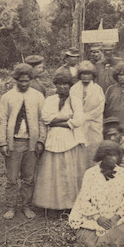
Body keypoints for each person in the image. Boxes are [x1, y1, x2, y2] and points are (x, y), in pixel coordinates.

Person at [0, 63, 46, 220]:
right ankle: (11, 207)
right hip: (14, 143)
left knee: (29, 178)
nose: (24, 84)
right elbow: (1, 120)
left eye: (27, 81)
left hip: (31, 143)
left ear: (31, 79)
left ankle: (26, 206)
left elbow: (42, 120)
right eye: (20, 81)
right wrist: (2, 142)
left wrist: (40, 140)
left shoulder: (38, 96)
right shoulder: (7, 97)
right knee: (12, 179)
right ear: (15, 80)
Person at [32, 68, 81, 211]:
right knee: (51, 172)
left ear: (70, 85)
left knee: (67, 172)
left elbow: (78, 120)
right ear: (55, 85)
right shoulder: (50, 100)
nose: (62, 87)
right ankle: (51, 206)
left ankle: (68, 205)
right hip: (52, 139)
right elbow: (46, 118)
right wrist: (66, 118)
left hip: (69, 139)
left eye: (65, 84)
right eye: (59, 84)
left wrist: (56, 121)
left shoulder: (75, 100)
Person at [68, 141, 124, 247]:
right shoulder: (90, 173)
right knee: (88, 241)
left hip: (116, 217)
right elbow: (84, 199)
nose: (113, 158)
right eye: (109, 155)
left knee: (118, 236)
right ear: (102, 156)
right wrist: (97, 217)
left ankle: (107, 244)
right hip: (93, 216)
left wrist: (116, 216)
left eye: (115, 155)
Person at [70, 60, 106, 173]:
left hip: (94, 125)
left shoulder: (97, 89)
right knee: (80, 152)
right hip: (79, 124)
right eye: (83, 74)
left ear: (92, 75)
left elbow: (99, 109)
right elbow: (74, 107)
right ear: (79, 75)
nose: (86, 76)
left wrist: (85, 117)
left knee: (94, 151)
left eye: (88, 74)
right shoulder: (74, 89)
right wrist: (79, 118)